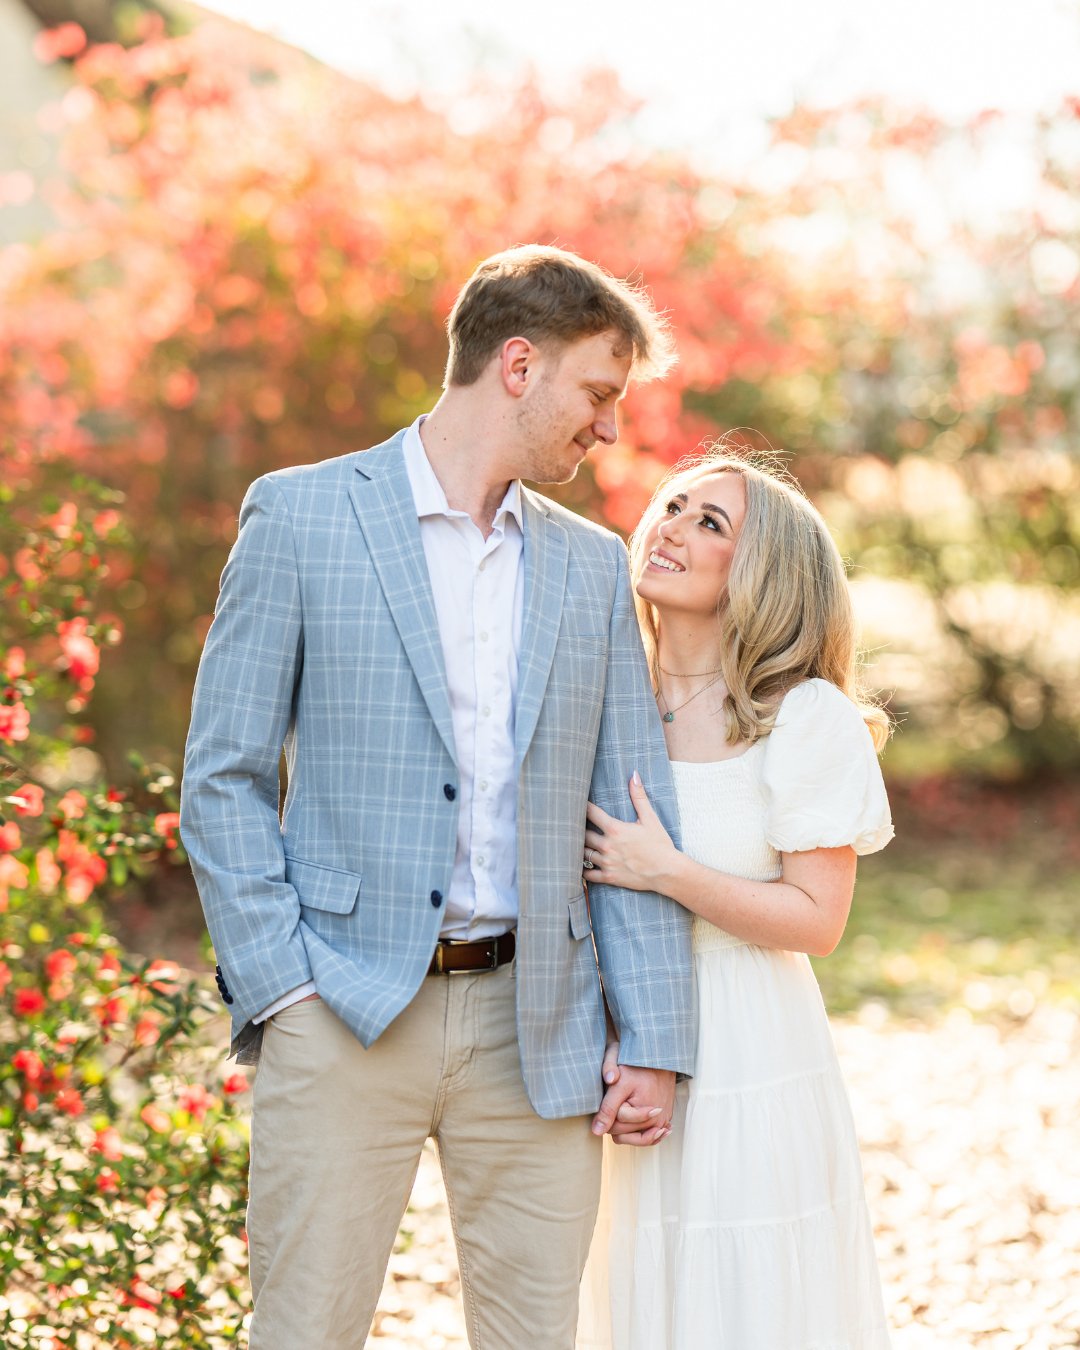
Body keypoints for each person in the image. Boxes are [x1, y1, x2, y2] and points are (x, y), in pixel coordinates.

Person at [179, 244, 697, 1350]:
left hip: (540, 1028)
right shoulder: (302, 516)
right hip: (342, 1012)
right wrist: (283, 990)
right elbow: (222, 775)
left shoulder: (592, 565)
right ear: (519, 364)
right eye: (599, 393)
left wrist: (650, 1036)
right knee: (305, 1332)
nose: (608, 427)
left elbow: (631, 807)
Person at [577, 448, 894, 1349]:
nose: (670, 527)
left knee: (747, 1296)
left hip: (751, 1045)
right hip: (621, 1047)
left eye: (709, 522)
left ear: (762, 573)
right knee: (640, 1290)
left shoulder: (802, 717)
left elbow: (817, 919)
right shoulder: (603, 695)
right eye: (672, 505)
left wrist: (667, 869)